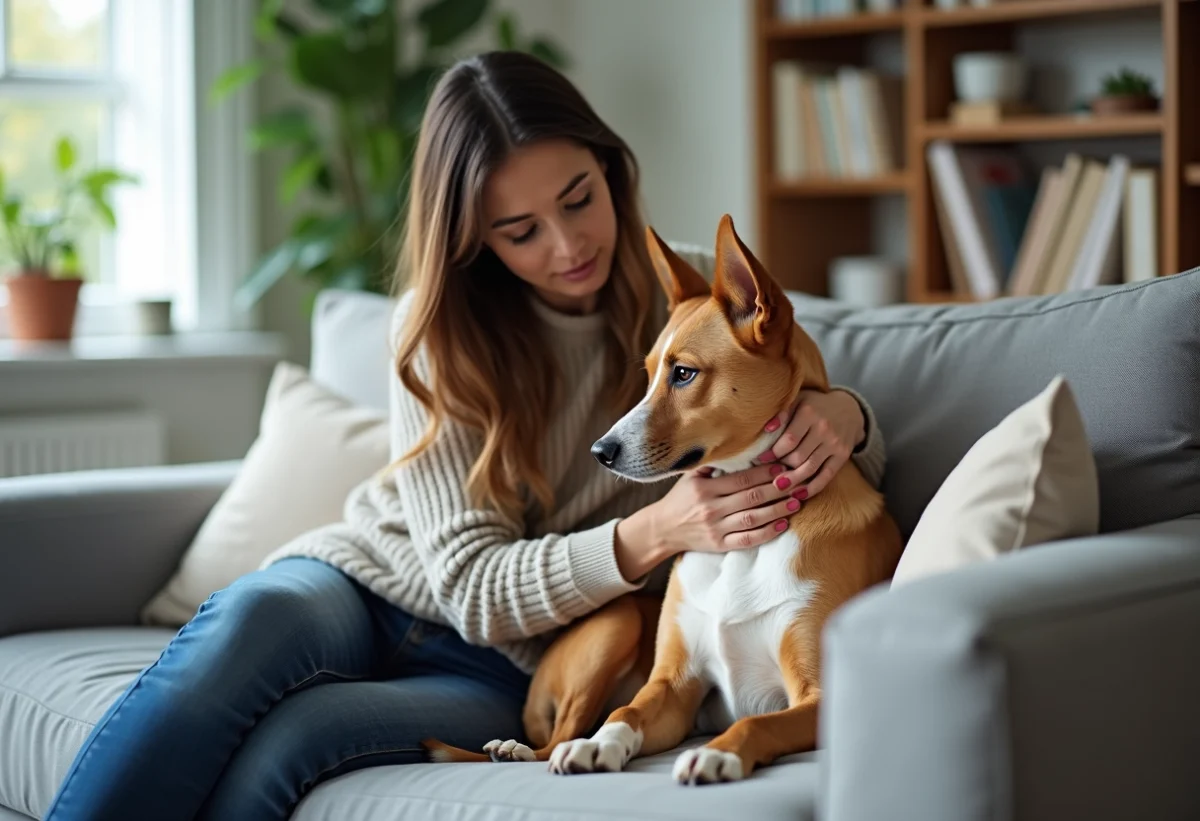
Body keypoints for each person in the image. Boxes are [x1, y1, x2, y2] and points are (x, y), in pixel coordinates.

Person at [44, 50, 886, 821]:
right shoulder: (437, 330)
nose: (567, 246)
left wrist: (849, 415)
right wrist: (653, 531)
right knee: (232, 643)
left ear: (610, 169)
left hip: (506, 660)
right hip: (364, 584)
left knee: (292, 744)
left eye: (578, 199)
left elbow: (792, 416)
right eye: (519, 231)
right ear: (473, 238)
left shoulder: (692, 294)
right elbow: (472, 586)